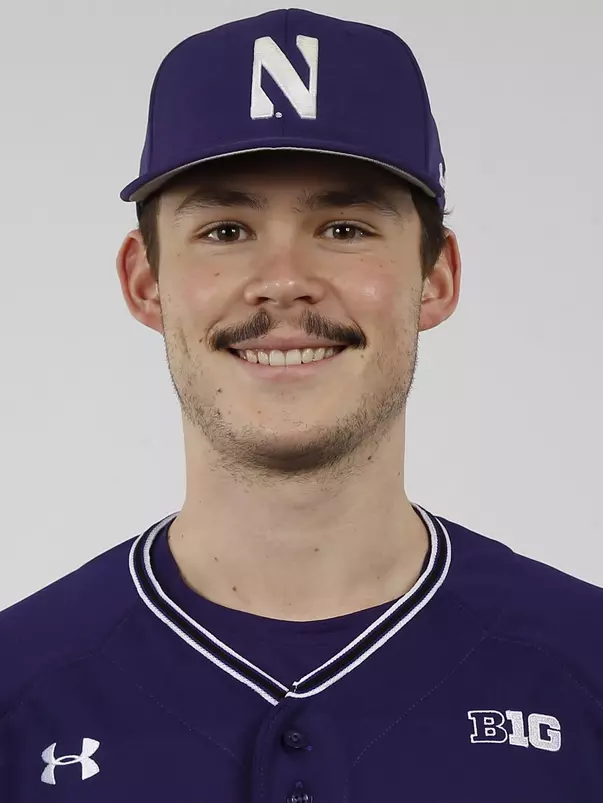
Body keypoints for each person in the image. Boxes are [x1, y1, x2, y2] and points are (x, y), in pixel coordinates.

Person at [1, 8, 602, 802]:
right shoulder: (20, 687)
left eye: (344, 226)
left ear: (436, 278)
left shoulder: (583, 662)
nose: (283, 278)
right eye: (224, 230)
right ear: (145, 282)